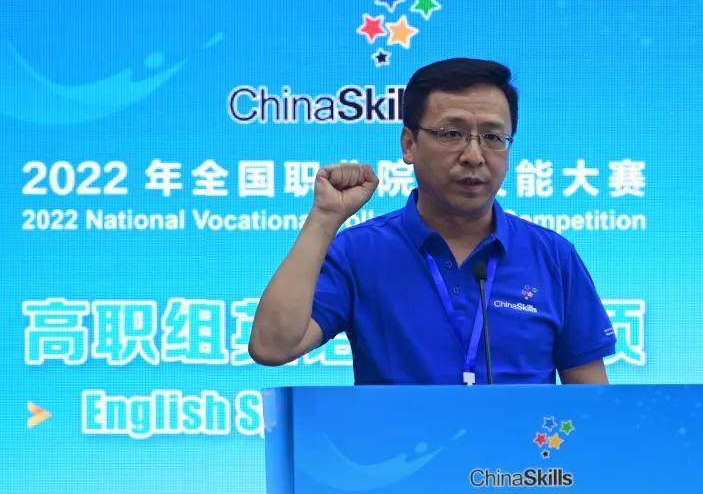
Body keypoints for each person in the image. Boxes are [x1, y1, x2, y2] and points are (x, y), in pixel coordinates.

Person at [248, 58, 615, 384]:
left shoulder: (552, 256)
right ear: (409, 144)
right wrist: (324, 220)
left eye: (492, 137)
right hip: (398, 443)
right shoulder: (359, 252)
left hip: (522, 445)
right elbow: (272, 347)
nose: (474, 155)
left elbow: (593, 403)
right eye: (452, 134)